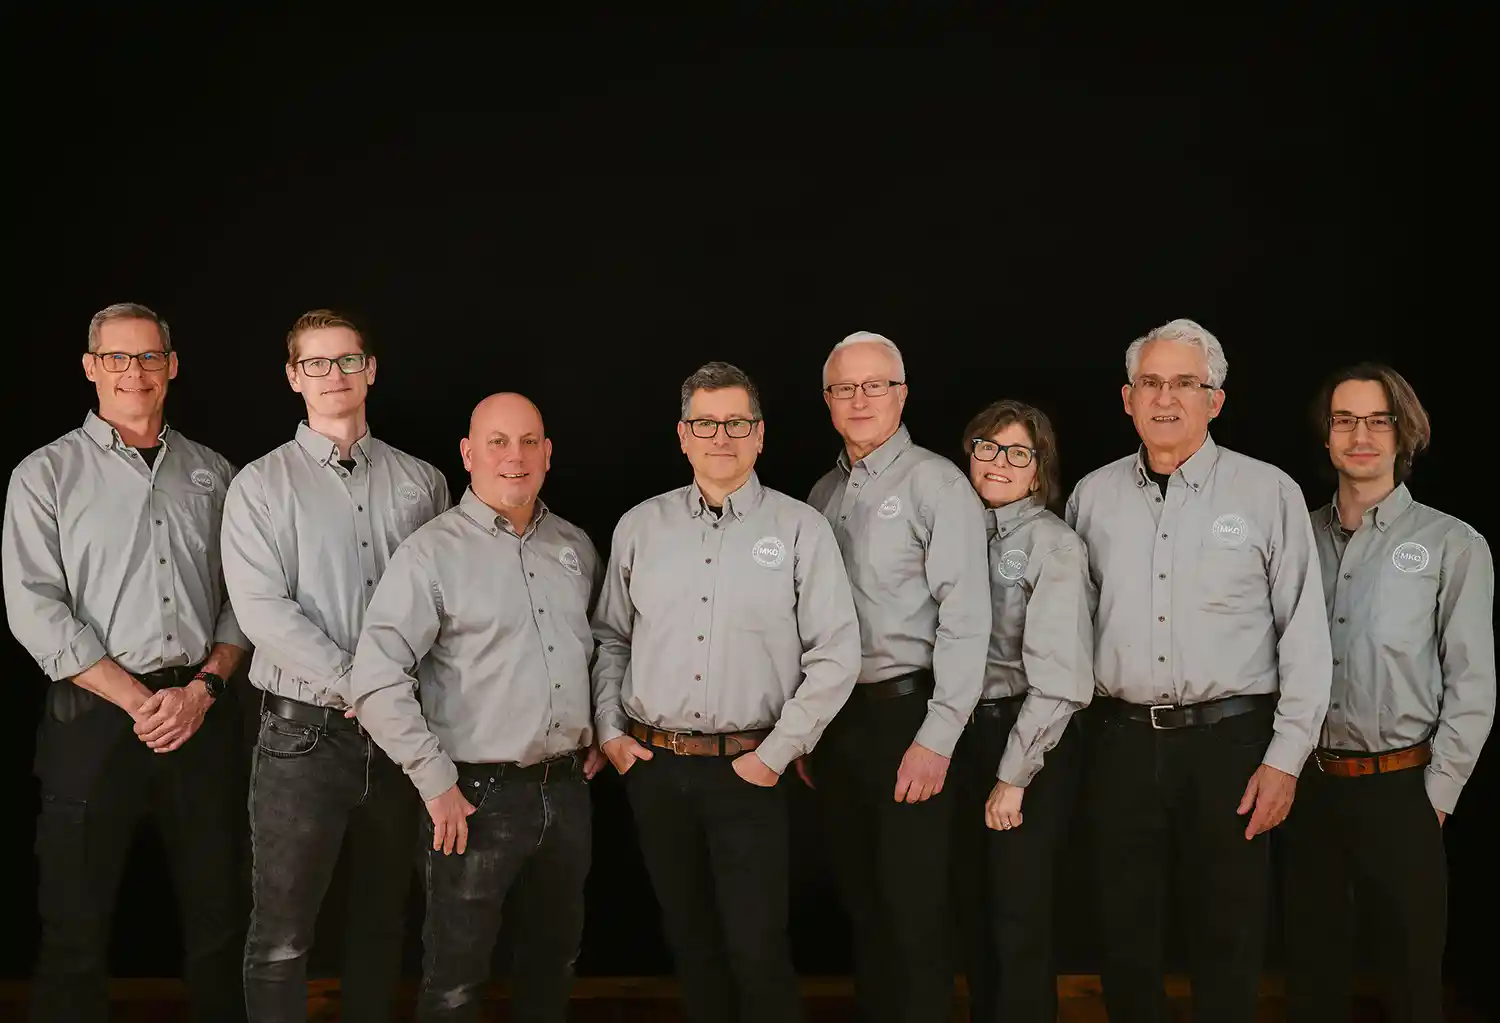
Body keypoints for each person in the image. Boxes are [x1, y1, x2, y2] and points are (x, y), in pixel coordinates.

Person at [1063, 317, 1331, 1023]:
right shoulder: (1091, 498)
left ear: (1215, 400)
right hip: (1120, 742)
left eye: (1185, 382)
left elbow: (1305, 636)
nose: (1165, 397)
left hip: (1232, 746)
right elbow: (1068, 632)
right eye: (1150, 382)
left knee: (1228, 935)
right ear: (1127, 398)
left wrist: (1285, 760)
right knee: (1123, 934)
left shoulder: (1268, 493)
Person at [591, 361, 861, 1023]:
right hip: (655, 767)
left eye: (737, 423)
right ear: (683, 435)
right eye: (706, 423)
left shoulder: (800, 529)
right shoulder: (639, 528)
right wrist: (611, 733)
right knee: (690, 942)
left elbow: (836, 654)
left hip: (752, 770)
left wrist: (775, 754)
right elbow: (610, 638)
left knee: (757, 947)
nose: (722, 437)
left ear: (759, 435)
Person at [3, 302, 250, 1023]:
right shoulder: (44, 474)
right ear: (91, 367)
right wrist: (139, 700)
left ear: (171, 367)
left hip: (202, 717)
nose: (133, 372)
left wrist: (202, 690)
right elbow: (34, 607)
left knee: (220, 922)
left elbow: (247, 599)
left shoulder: (216, 474)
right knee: (73, 929)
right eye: (117, 357)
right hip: (92, 718)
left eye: (148, 357)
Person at [223, 310, 451, 1022]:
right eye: (316, 364)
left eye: (348, 360)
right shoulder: (259, 486)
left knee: (382, 923)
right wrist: (367, 687)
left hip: (400, 742)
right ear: (294, 377)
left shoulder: (424, 482)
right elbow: (263, 613)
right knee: (283, 936)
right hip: (302, 739)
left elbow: (447, 605)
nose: (334, 376)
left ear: (370, 370)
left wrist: (392, 706)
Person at [351, 392, 604, 1023]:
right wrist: (434, 781)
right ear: (468, 454)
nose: (514, 456)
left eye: (528, 442)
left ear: (548, 453)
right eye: (497, 442)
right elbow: (375, 678)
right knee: (456, 984)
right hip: (472, 799)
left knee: (553, 968)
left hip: (567, 791)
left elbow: (604, 650)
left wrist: (603, 726)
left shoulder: (575, 547)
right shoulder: (431, 553)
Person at [1281, 363, 1494, 1023]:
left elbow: (1473, 683)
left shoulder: (1451, 543)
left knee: (1410, 985)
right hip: (1308, 790)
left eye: (1379, 420)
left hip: (1403, 788)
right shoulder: (1293, 539)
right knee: (1311, 982)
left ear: (1405, 434)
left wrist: (1437, 796)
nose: (1361, 435)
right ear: (1326, 436)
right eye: (1345, 420)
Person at [805, 331, 991, 1023]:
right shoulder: (823, 492)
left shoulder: (936, 484)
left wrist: (937, 738)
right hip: (838, 722)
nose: (860, 400)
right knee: (864, 907)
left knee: (914, 912)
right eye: (844, 388)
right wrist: (809, 727)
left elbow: (967, 620)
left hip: (909, 718)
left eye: (875, 385)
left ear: (902, 394)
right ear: (828, 401)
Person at [950, 400, 1093, 1023]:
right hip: (961, 736)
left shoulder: (1052, 545)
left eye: (1016, 452)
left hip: (1027, 739)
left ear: (1039, 468)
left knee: (1019, 916)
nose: (998, 462)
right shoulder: (956, 534)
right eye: (987, 447)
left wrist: (1012, 778)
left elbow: (1060, 682)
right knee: (972, 909)